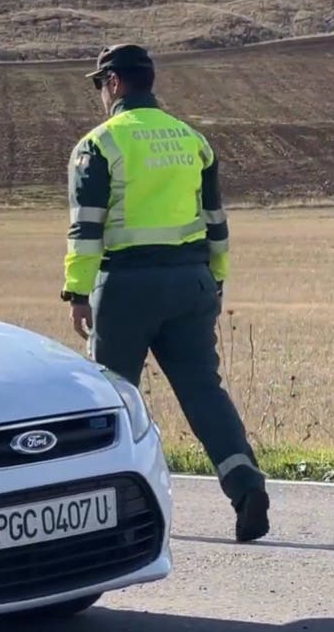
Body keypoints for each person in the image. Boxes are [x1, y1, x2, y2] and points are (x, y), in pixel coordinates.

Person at [60, 43, 270, 543]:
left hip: (127, 287)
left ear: (113, 83)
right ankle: (245, 484)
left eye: (100, 85)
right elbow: (216, 222)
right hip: (191, 281)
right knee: (203, 392)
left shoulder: (100, 144)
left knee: (112, 402)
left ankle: (104, 517)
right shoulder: (193, 140)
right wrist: (215, 279)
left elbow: (86, 228)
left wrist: (76, 292)